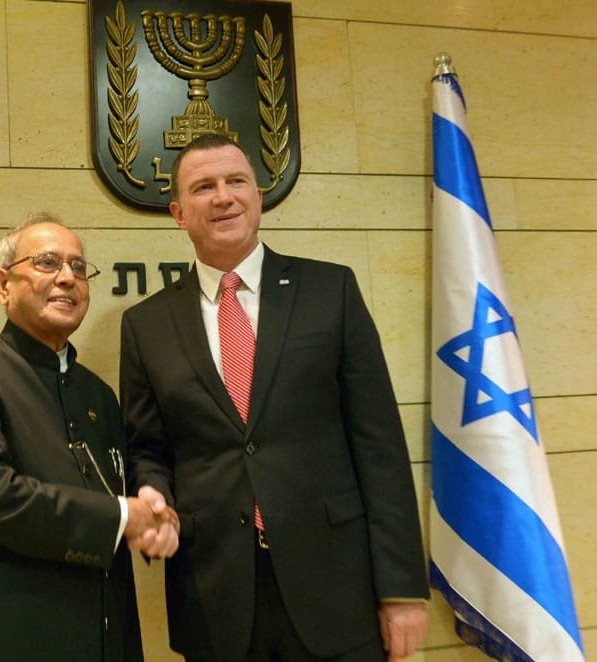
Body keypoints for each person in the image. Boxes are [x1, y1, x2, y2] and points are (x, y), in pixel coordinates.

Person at [120, 134, 429, 661]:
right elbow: (149, 447)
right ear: (178, 213)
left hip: (336, 590)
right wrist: (153, 494)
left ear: (258, 197)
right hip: (216, 595)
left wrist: (401, 589)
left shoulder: (331, 292)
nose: (223, 197)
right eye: (204, 187)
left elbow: (379, 444)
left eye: (236, 181)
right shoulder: (145, 324)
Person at [0, 212, 179, 661]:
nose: (67, 278)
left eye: (79, 268)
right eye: (47, 263)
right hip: (6, 640)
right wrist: (122, 517)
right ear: (4, 284)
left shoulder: (97, 393)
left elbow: (122, 494)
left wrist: (156, 516)